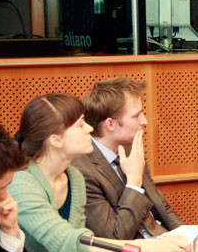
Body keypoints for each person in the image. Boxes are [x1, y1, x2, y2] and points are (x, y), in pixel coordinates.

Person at [8, 93, 190, 252]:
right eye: (80, 125)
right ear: (56, 140)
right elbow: (67, 242)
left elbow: (81, 243)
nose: (89, 128)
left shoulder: (73, 177)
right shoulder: (21, 183)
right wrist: (149, 247)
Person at [0, 122, 114, 252]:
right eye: (1, 187)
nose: (5, 196)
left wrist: (9, 231)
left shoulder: (75, 177)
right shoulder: (27, 182)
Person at [72, 77, 182, 239]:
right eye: (137, 115)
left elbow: (162, 208)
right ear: (111, 124)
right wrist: (134, 182)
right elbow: (114, 237)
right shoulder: (82, 170)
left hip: (165, 241)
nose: (144, 121)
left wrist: (190, 241)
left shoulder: (131, 149)